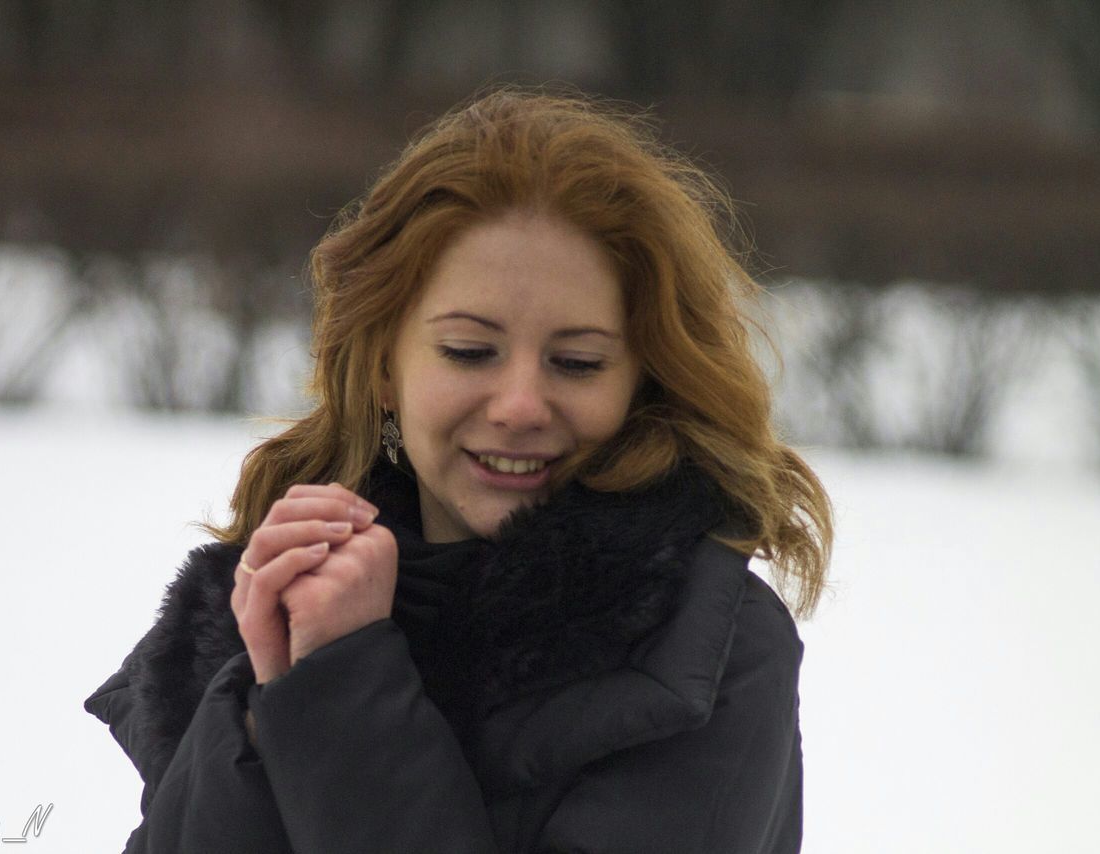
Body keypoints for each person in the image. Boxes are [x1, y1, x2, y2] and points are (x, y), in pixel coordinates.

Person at [85, 87, 832, 854]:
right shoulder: (248, 621)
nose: (518, 405)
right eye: (469, 351)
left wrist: (344, 687)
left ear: (644, 381)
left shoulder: (710, 650)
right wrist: (260, 703)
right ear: (382, 367)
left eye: (576, 363)